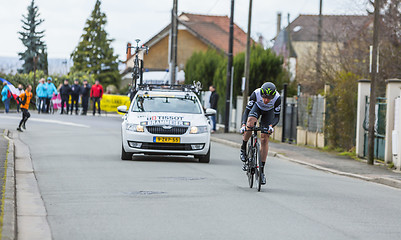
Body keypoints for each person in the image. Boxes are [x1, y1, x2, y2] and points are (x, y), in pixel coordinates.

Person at [239, 82, 281, 185]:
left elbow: (277, 117)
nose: (266, 100)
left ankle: (262, 171)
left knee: (264, 138)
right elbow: (247, 110)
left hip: (269, 113)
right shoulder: (256, 94)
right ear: (261, 94)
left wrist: (271, 126)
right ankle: (243, 147)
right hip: (256, 108)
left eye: (269, 98)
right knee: (250, 123)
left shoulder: (277, 98)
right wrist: (244, 124)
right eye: (264, 97)